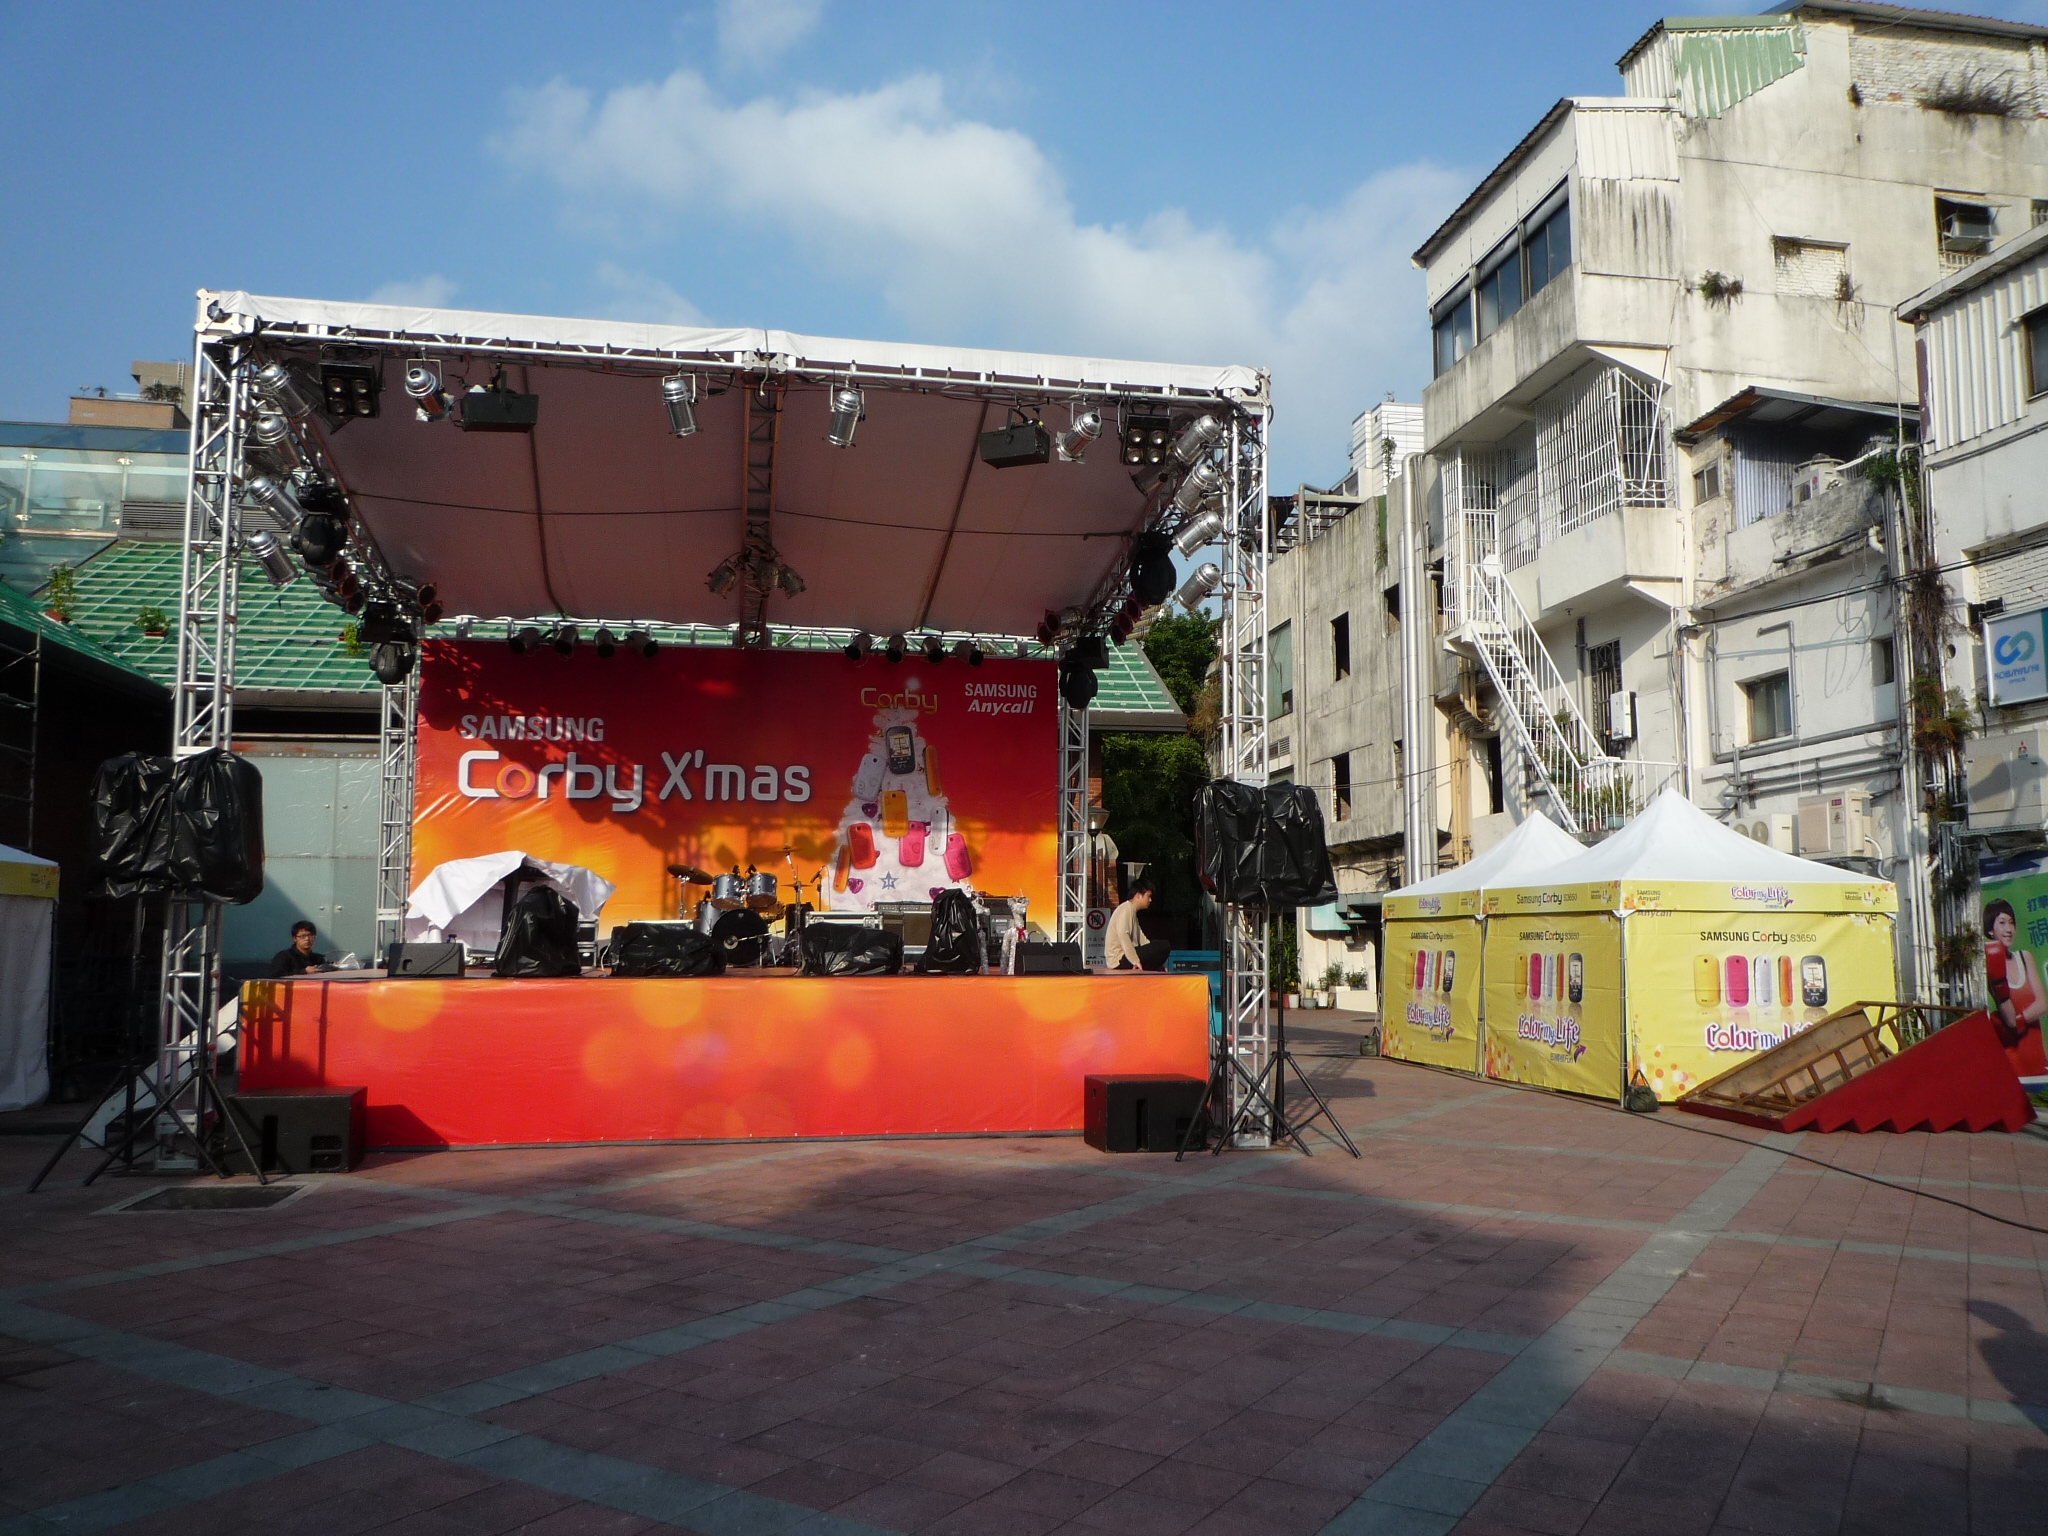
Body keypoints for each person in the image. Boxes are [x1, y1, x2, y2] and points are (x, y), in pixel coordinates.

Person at [1985, 899, 2045, 1048]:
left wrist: (2020, 1021)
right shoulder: (1989, 966)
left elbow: (2043, 1004)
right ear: (1990, 930)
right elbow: (2009, 1020)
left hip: (2036, 1048)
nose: (2009, 929)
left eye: (2011, 923)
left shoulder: (2024, 957)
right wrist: (2016, 1022)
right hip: (2011, 1051)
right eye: (2002, 923)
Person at [1106, 878, 1170, 972]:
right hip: (1119, 959)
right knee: (1164, 945)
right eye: (1148, 896)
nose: (1150, 900)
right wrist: (1134, 960)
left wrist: (1158, 963)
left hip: (1126, 957)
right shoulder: (1126, 909)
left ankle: (1151, 967)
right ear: (1139, 895)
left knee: (1159, 947)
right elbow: (1123, 935)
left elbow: (1143, 940)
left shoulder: (1132, 912)